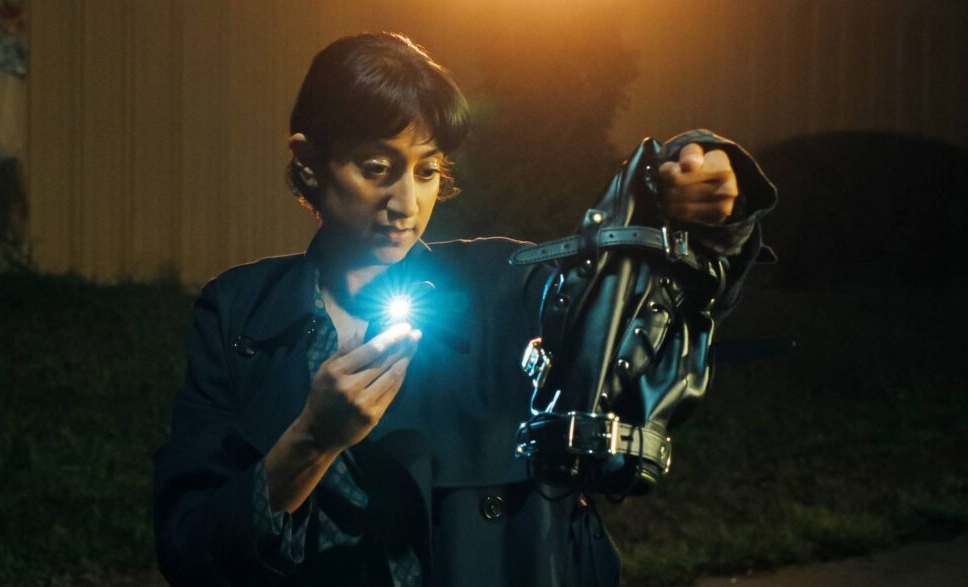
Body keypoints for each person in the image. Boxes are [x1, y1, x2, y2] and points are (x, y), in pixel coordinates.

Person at [153, 32, 776, 586]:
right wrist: (312, 440)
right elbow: (190, 549)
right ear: (309, 161)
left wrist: (701, 204)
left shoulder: (503, 286)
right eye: (377, 167)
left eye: (427, 171)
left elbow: (639, 310)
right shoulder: (239, 314)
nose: (406, 202)